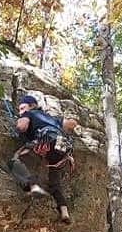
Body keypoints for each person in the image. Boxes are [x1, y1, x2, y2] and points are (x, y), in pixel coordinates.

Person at [8, 94, 77, 225]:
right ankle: (64, 212)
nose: (21, 111)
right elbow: (72, 124)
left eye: (22, 108)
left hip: (43, 143)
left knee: (14, 161)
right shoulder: (53, 118)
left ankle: (33, 186)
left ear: (32, 105)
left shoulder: (29, 114)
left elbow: (22, 127)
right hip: (61, 149)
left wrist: (17, 125)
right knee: (55, 183)